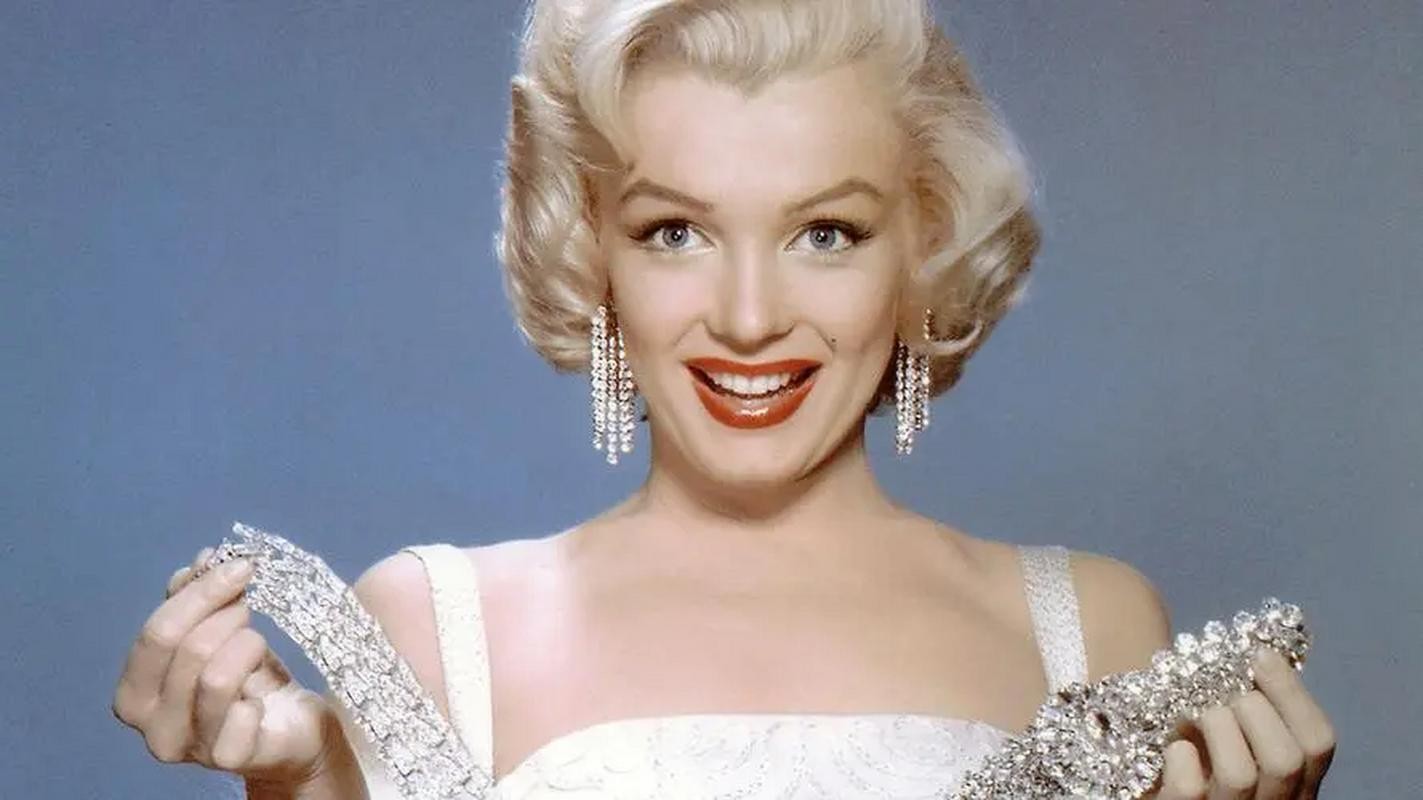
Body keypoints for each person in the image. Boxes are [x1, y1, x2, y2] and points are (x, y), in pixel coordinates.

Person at [113, 1, 1337, 797]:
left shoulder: (1092, 627)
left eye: (825, 231)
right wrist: (302, 787)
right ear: (591, 250)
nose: (749, 317)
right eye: (675, 231)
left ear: (923, 251)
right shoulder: (434, 627)